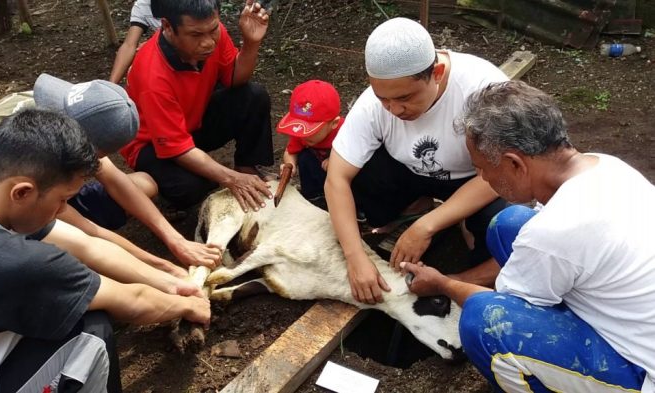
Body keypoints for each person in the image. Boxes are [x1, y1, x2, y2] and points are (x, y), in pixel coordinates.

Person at [402, 80, 655, 392]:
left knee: (485, 322)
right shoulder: (606, 166)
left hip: (640, 370)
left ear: (514, 164)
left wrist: (442, 284)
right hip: (634, 324)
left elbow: (498, 306)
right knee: (509, 223)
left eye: (482, 168)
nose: (483, 177)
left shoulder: (555, 230)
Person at [0, 108, 210, 393]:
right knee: (91, 329)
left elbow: (88, 245)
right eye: (63, 200)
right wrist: (189, 305)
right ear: (22, 192)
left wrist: (170, 282)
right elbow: (131, 301)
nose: (63, 211)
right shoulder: (12, 261)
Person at [0, 73, 222, 276]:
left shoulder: (63, 113)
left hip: (42, 181)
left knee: (143, 184)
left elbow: (116, 180)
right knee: (56, 253)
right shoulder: (4, 167)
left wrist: (175, 240)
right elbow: (85, 231)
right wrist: (157, 267)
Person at [324, 17, 508, 305]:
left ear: (436, 72)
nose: (395, 109)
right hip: (411, 174)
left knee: (501, 224)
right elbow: (336, 177)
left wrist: (428, 226)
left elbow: (504, 173)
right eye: (384, 99)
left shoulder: (483, 89)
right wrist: (356, 257)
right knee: (359, 172)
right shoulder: (374, 104)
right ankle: (416, 207)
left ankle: (459, 237)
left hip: (473, 179)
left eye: (405, 98)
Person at [119, 0, 275, 214]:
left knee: (253, 96)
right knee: (192, 187)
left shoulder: (212, 32)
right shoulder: (152, 75)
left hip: (192, 122)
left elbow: (234, 79)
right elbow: (175, 148)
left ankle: (246, 166)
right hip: (151, 144)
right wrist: (231, 179)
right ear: (167, 26)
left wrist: (251, 43)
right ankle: (166, 191)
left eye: (213, 30)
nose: (208, 43)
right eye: (195, 35)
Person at [277, 79, 343, 201]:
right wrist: (289, 165)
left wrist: (336, 160)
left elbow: (358, 154)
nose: (303, 135)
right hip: (317, 173)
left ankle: (353, 204)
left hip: (342, 179)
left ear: (334, 123)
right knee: (305, 157)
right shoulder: (302, 135)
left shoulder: (345, 132)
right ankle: (313, 198)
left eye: (310, 130)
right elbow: (291, 151)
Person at [109, 0, 161, 84]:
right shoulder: (143, 5)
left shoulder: (185, 5)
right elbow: (129, 45)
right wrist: (111, 86)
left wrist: (152, 45)